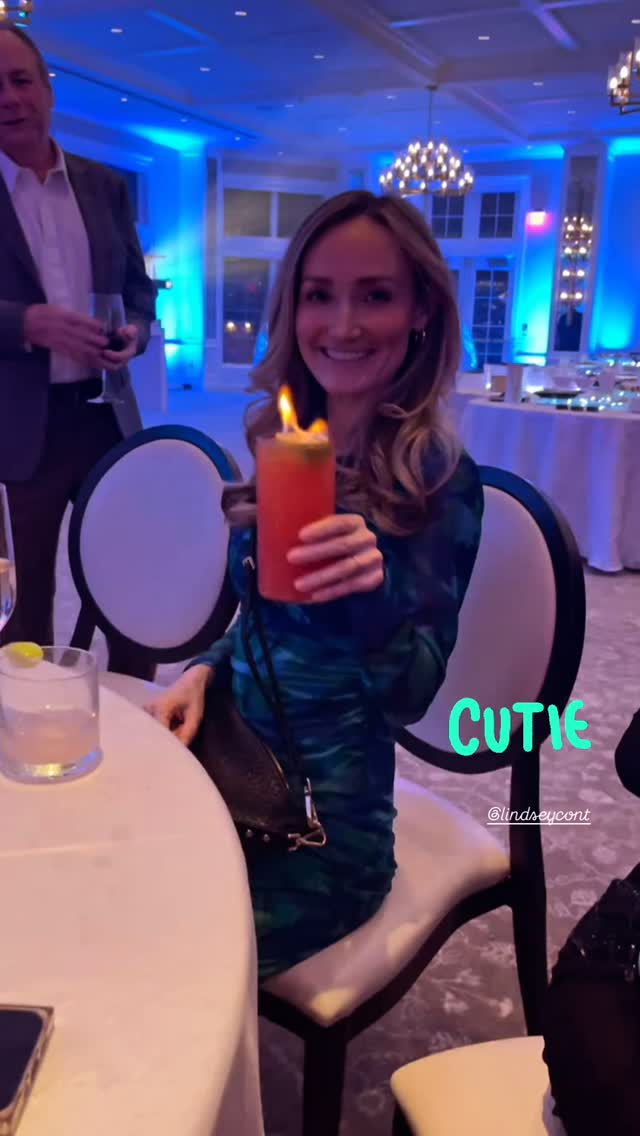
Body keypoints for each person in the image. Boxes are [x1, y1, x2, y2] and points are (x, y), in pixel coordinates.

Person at [148, 190, 484, 978]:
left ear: (421, 310)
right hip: (230, 773)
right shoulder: (289, 440)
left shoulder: (437, 480)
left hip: (322, 834)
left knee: (157, 953)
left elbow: (412, 696)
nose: (343, 324)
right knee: (93, 873)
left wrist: (372, 600)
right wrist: (206, 668)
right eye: (319, 295)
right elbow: (263, 615)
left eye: (376, 295)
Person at [0, 26, 155, 672]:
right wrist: (24, 324)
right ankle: (26, 718)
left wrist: (135, 334)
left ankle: (138, 706)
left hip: (106, 417)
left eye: (20, 80)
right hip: (18, 432)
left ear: (48, 88)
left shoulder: (105, 186)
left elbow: (138, 292)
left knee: (130, 581)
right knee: (25, 602)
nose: (9, 98)